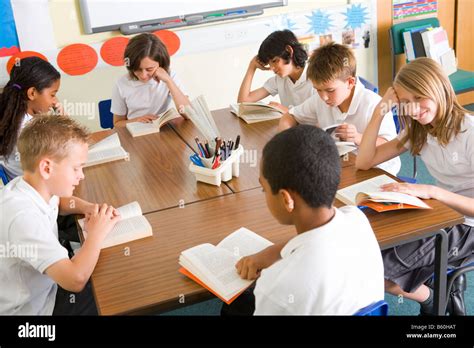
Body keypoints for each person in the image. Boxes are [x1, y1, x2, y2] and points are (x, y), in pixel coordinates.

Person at [222, 125, 384, 315]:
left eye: (264, 189)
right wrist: (269, 253)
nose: (264, 193)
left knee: (232, 308)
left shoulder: (276, 286)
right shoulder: (357, 219)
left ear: (286, 199)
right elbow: (319, 239)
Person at [356, 57, 474, 315]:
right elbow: (365, 161)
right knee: (368, 246)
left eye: (420, 98)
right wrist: (380, 110)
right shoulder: (419, 131)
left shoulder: (470, 132)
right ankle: (434, 293)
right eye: (406, 103)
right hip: (439, 214)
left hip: (467, 226)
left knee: (371, 266)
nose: (415, 109)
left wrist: (432, 192)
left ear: (438, 89)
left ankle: (435, 293)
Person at [0, 115, 120, 315]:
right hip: (35, 311)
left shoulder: (32, 185)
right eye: (76, 168)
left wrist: (87, 207)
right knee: (112, 290)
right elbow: (75, 280)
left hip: (48, 288)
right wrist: (96, 233)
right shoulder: (22, 217)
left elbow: (60, 202)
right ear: (47, 168)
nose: (81, 175)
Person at [278, 42, 400, 175]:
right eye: (318, 90)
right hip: (342, 165)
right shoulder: (320, 99)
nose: (324, 97)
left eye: (330, 90)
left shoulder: (372, 103)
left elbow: (389, 145)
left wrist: (358, 138)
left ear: (350, 82)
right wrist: (284, 144)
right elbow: (290, 116)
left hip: (378, 170)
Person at [0, 56, 63, 181]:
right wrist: (62, 120)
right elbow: (61, 158)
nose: (55, 101)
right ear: (32, 93)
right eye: (53, 95)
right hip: (34, 188)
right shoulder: (27, 130)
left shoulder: (15, 116)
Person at [112, 33, 189, 127]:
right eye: (138, 69)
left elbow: (188, 114)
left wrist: (169, 81)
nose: (143, 76)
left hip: (163, 131)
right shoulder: (122, 84)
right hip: (136, 132)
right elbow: (117, 124)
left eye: (149, 69)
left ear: (160, 64)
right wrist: (137, 121)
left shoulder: (169, 76)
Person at [237, 30, 314, 113]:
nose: (272, 68)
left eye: (274, 61)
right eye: (269, 64)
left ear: (289, 51)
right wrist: (252, 66)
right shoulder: (280, 79)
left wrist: (287, 111)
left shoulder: (316, 75)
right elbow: (243, 102)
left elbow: (320, 118)